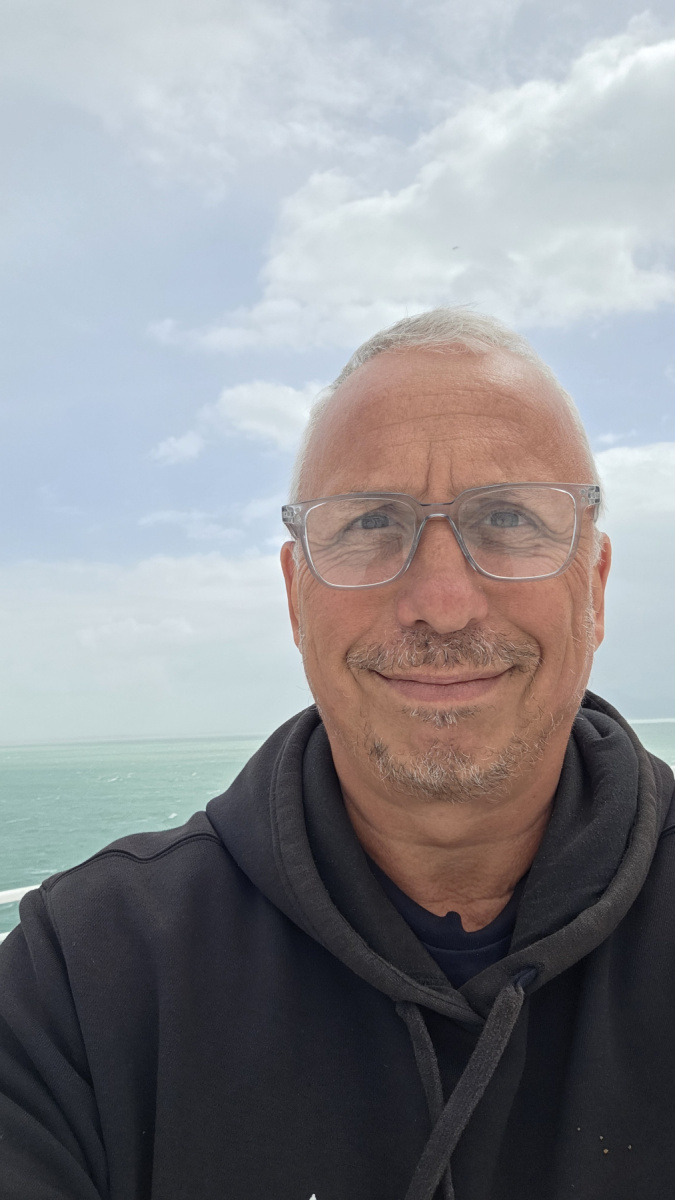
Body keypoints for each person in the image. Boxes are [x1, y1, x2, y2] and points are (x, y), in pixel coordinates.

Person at [0, 308, 673, 1200]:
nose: (442, 602)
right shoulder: (82, 977)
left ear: (594, 585)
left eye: (508, 517)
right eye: (370, 523)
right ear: (295, 596)